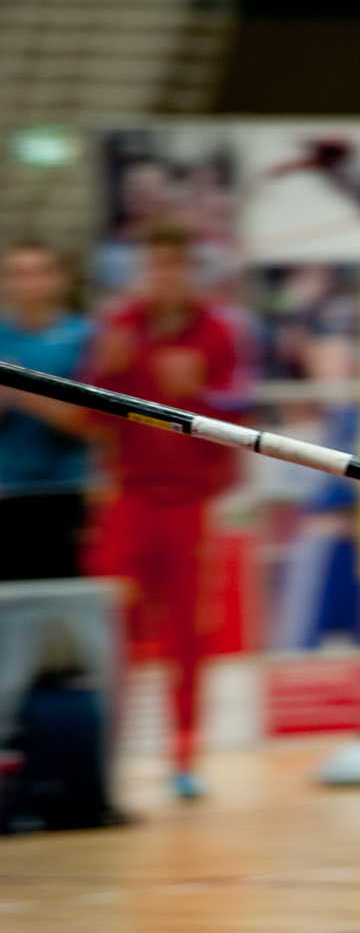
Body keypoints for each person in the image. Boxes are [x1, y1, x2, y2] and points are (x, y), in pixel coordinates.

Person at [89, 226, 238, 801]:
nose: (166, 276)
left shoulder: (217, 331)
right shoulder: (119, 330)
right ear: (142, 271)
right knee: (115, 632)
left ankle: (184, 754)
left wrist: (203, 391)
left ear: (191, 271)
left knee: (187, 637)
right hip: (129, 500)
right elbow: (91, 416)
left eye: (176, 265)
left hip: (190, 506)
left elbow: (244, 408)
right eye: (156, 265)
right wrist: (105, 374)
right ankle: (104, 753)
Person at [0, 242, 95, 580]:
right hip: (8, 490)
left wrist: (30, 397)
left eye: (39, 273)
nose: (30, 283)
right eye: (20, 274)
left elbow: (94, 425)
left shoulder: (84, 337)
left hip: (66, 488)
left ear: (59, 280)